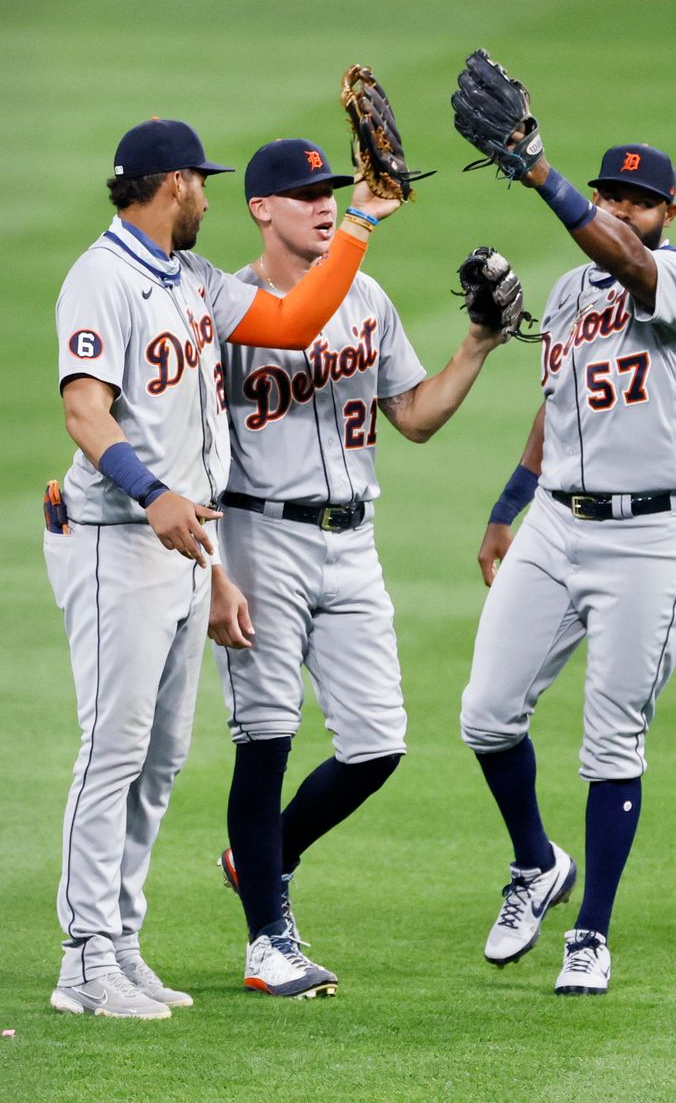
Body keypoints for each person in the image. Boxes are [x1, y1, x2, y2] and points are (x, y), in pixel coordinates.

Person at [45, 118, 395, 1019]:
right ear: (169, 187)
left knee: (159, 761)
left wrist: (360, 223)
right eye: (199, 182)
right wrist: (152, 490)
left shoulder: (194, 280)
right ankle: (82, 960)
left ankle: (120, 946)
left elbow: (296, 317)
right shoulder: (101, 279)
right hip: (112, 537)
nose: (207, 194)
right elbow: (88, 414)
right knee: (111, 750)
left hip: (184, 548)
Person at [208, 137, 512, 999]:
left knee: (378, 744)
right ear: (261, 208)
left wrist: (478, 345)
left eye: (329, 189)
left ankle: (261, 859)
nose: (323, 201)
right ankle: (268, 938)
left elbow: (412, 417)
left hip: (353, 541)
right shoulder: (230, 307)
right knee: (264, 735)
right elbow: (280, 336)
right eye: (303, 192)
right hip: (260, 538)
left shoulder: (365, 297)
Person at [460, 141, 676, 995]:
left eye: (636, 200)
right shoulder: (573, 291)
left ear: (667, 212)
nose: (618, 208)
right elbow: (559, 397)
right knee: (487, 716)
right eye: (609, 194)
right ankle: (537, 865)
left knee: (612, 740)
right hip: (556, 524)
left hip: (654, 536)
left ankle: (591, 934)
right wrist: (507, 506)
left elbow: (625, 255)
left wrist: (540, 173)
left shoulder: (673, 277)